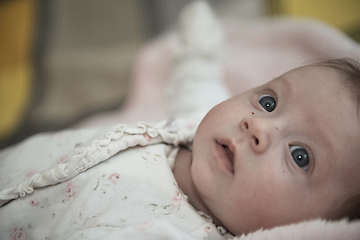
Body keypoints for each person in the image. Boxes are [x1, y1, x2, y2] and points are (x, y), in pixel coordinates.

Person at [0, 1, 360, 239]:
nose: (259, 126)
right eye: (268, 102)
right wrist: (200, 45)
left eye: (300, 156)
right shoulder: (195, 124)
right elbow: (197, 80)